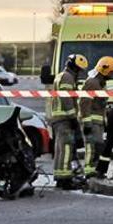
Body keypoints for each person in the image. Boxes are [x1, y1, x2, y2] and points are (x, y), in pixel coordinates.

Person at [49, 53, 89, 189]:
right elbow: (66, 99)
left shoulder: (61, 75)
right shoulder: (67, 77)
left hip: (58, 118)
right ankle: (64, 179)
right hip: (64, 118)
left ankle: (60, 176)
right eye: (79, 70)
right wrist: (73, 117)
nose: (80, 73)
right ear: (75, 68)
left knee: (60, 149)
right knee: (66, 148)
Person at [79, 56, 113, 177]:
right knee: (92, 147)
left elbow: (99, 104)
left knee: (98, 146)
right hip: (91, 122)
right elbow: (84, 103)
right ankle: (90, 172)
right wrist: (87, 123)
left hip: (97, 122)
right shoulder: (92, 83)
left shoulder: (100, 83)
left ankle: (95, 170)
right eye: (112, 72)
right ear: (105, 70)